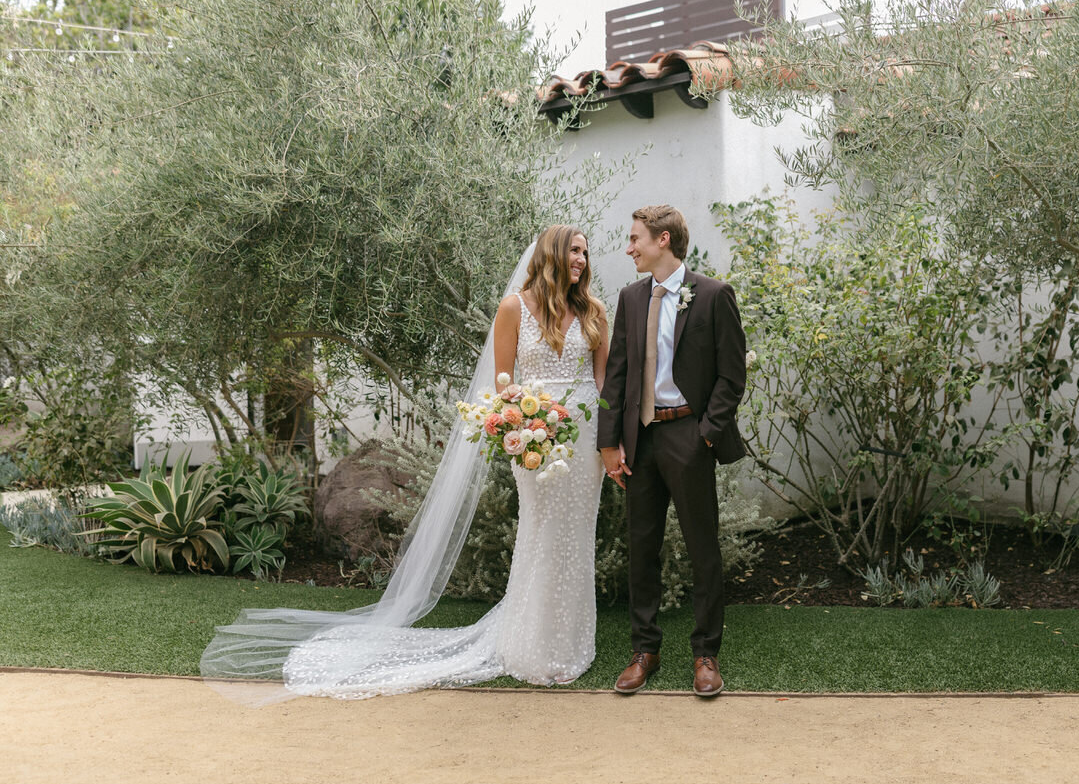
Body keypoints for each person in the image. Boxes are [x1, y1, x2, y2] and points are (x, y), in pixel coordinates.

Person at [200, 225, 607, 702]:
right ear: (552, 254)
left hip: (584, 440)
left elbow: (601, 383)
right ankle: (534, 647)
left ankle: (573, 641)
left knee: (576, 537)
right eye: (574, 251)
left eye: (585, 252)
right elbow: (503, 383)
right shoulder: (514, 308)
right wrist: (521, 425)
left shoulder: (593, 311)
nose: (581, 259)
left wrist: (604, 436)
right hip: (536, 439)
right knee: (540, 533)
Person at [597, 205, 746, 698]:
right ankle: (645, 650)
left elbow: (731, 375)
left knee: (702, 547)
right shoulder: (630, 297)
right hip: (640, 440)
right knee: (642, 547)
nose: (629, 247)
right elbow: (616, 378)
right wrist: (608, 443)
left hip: (688, 435)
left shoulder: (713, 295)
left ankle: (706, 653)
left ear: (663, 240)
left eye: (635, 238)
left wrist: (706, 432)